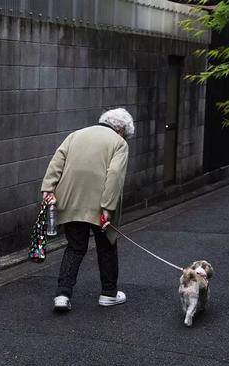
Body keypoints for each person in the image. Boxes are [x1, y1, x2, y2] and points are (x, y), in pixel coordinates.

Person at [41, 108, 135, 311]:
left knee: (75, 247)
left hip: (70, 200)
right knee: (107, 246)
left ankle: (62, 295)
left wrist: (48, 188)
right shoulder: (119, 143)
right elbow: (115, 176)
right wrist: (108, 207)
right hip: (99, 205)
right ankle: (108, 294)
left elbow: (57, 160)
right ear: (121, 129)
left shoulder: (76, 135)